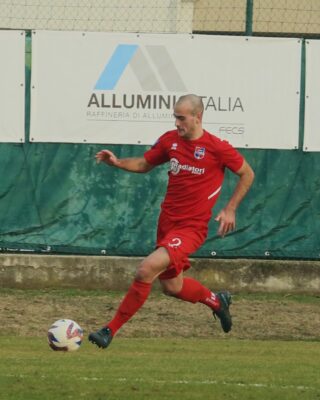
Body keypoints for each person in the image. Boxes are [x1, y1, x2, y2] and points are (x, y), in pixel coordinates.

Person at [88, 94, 255, 349]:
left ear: (197, 117)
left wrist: (230, 209)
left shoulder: (216, 147)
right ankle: (216, 301)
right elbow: (145, 163)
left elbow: (247, 173)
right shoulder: (170, 141)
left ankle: (109, 330)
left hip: (191, 228)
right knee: (172, 286)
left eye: (181, 117)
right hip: (167, 224)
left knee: (146, 269)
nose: (176, 123)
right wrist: (118, 162)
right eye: (174, 117)